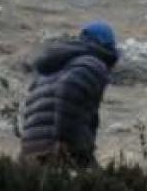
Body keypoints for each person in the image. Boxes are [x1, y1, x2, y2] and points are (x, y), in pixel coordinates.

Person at [20, 20, 120, 168]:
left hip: (31, 147)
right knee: (97, 187)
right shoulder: (92, 63)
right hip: (57, 148)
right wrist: (66, 143)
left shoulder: (53, 66)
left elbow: (29, 106)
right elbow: (68, 90)